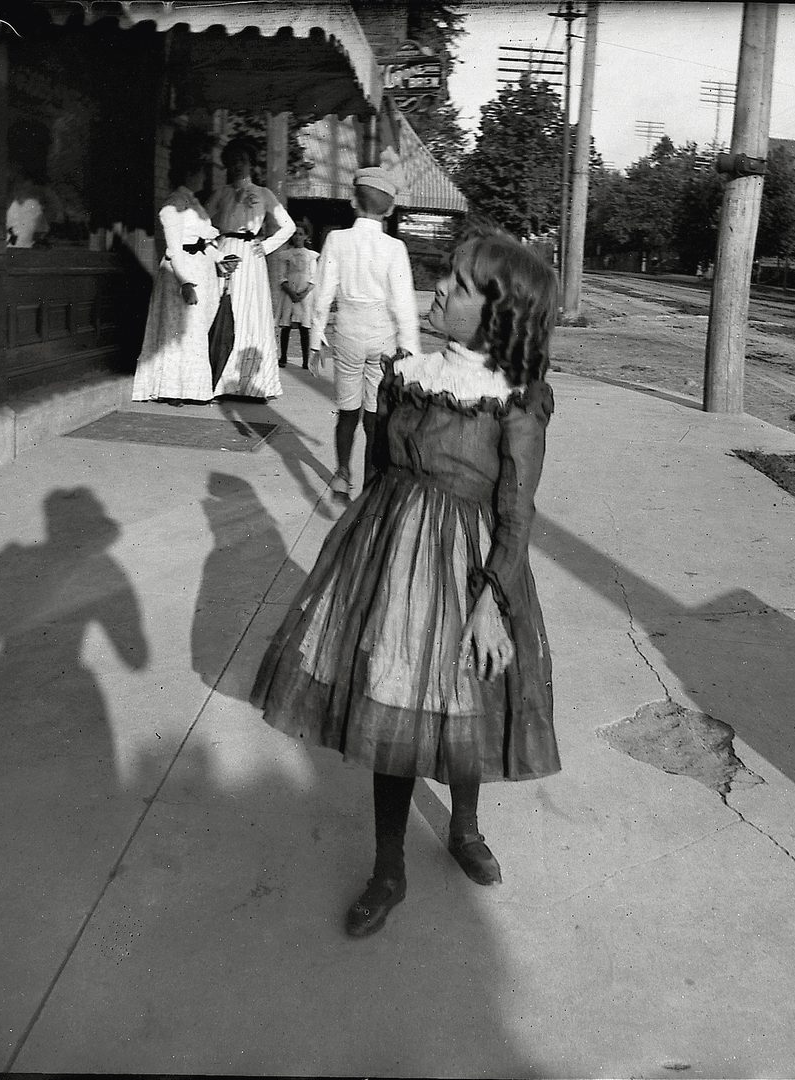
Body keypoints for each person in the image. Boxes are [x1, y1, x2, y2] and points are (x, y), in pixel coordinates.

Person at [251, 229, 561, 938]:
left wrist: (493, 602)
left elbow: (515, 514)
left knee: (462, 700)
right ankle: (387, 868)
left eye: (458, 285)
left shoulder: (516, 402)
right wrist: (361, 555)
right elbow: (377, 475)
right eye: (443, 276)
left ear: (497, 312)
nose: (439, 290)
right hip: (389, 559)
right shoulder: (404, 374)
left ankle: (466, 827)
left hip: (471, 570)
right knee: (389, 703)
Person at [308, 167, 421, 499]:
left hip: (347, 334)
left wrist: (315, 340)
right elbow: (404, 304)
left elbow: (322, 295)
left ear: (353, 202)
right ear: (389, 209)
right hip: (382, 338)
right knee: (375, 416)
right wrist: (409, 349)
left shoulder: (336, 240)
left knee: (347, 411)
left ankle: (342, 472)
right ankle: (372, 483)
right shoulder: (394, 248)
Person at [132, 133, 238, 407]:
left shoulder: (194, 203)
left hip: (200, 268)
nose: (203, 177)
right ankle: (172, 389)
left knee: (194, 332)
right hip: (180, 274)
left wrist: (221, 258)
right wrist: (185, 282)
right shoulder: (173, 205)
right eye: (200, 171)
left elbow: (205, 240)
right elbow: (174, 248)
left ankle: (191, 388)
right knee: (179, 333)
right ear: (189, 172)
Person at [207, 137, 295, 399]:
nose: (237, 166)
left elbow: (288, 226)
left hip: (250, 256)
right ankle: (220, 381)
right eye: (233, 161)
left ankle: (249, 384)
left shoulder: (264, 194)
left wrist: (267, 246)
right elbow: (203, 223)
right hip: (223, 253)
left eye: (242, 161)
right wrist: (213, 248)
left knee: (247, 313)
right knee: (221, 311)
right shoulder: (220, 194)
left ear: (251, 164)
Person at [273, 218, 319, 368]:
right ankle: (283, 356)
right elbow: (281, 276)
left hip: (305, 293)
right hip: (289, 291)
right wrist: (291, 292)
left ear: (306, 236)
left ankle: (306, 360)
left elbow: (313, 278)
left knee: (304, 326)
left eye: (300, 234)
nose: (297, 237)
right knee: (286, 325)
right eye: (295, 234)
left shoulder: (311, 256)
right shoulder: (285, 255)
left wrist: (303, 293)